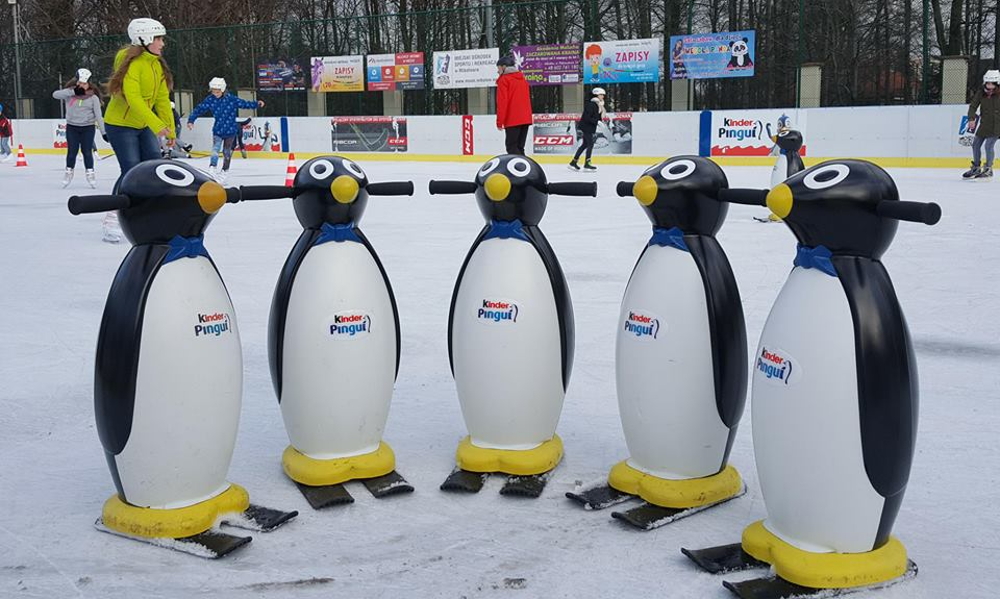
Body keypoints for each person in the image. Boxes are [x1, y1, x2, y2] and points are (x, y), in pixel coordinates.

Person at [104, 18, 175, 190]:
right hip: (120, 125)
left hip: (143, 125)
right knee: (131, 169)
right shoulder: (132, 65)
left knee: (154, 166)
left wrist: (170, 129)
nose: (162, 44)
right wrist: (157, 124)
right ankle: (115, 209)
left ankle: (146, 209)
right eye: (158, 39)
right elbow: (133, 99)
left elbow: (162, 100)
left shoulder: (156, 65)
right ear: (145, 39)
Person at [186, 77, 264, 182]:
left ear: (223, 89)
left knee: (227, 152)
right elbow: (199, 109)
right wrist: (191, 120)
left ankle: (224, 171)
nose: (215, 93)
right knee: (215, 149)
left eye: (217, 91)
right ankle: (212, 168)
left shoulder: (231, 99)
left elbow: (244, 104)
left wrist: (257, 104)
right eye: (213, 91)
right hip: (218, 130)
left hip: (231, 131)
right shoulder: (210, 99)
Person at [53, 68, 107, 188]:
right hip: (72, 127)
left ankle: (90, 173)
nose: (81, 85)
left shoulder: (93, 98)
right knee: (72, 151)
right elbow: (55, 95)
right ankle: (68, 172)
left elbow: (99, 116)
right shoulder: (70, 94)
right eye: (79, 83)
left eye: (84, 83)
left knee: (87, 152)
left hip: (88, 128)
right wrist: (72, 92)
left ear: (88, 83)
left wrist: (104, 132)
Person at [964, 69, 1000, 179]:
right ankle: (976, 167)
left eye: (992, 84)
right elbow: (973, 106)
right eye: (987, 83)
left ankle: (988, 169)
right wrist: (971, 119)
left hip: (997, 126)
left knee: (989, 145)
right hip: (984, 125)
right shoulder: (981, 93)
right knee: (976, 144)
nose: (989, 86)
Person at [495, 55, 533, 156]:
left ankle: (518, 169)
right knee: (520, 147)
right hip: (525, 119)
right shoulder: (522, 79)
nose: (497, 71)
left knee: (511, 147)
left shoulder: (504, 80)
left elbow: (502, 102)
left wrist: (500, 121)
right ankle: (525, 169)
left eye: (498, 68)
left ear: (504, 67)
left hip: (513, 119)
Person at [569, 87, 606, 172]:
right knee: (590, 144)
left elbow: (596, 116)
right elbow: (587, 117)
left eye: (603, 95)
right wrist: (597, 122)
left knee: (585, 144)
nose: (603, 96)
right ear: (596, 95)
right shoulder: (591, 104)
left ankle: (573, 162)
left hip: (589, 127)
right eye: (601, 95)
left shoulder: (598, 105)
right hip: (586, 127)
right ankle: (587, 164)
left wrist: (600, 120)